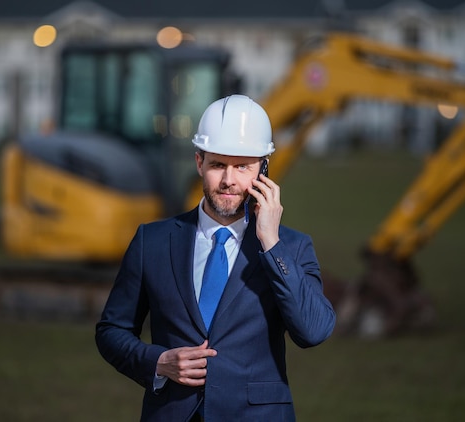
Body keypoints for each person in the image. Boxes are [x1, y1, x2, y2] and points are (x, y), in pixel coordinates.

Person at [95, 94, 336, 421]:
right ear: (199, 163)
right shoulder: (150, 242)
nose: (228, 181)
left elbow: (313, 331)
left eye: (242, 168)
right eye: (218, 165)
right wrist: (158, 361)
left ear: (264, 169)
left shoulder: (291, 247)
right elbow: (111, 331)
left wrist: (270, 242)